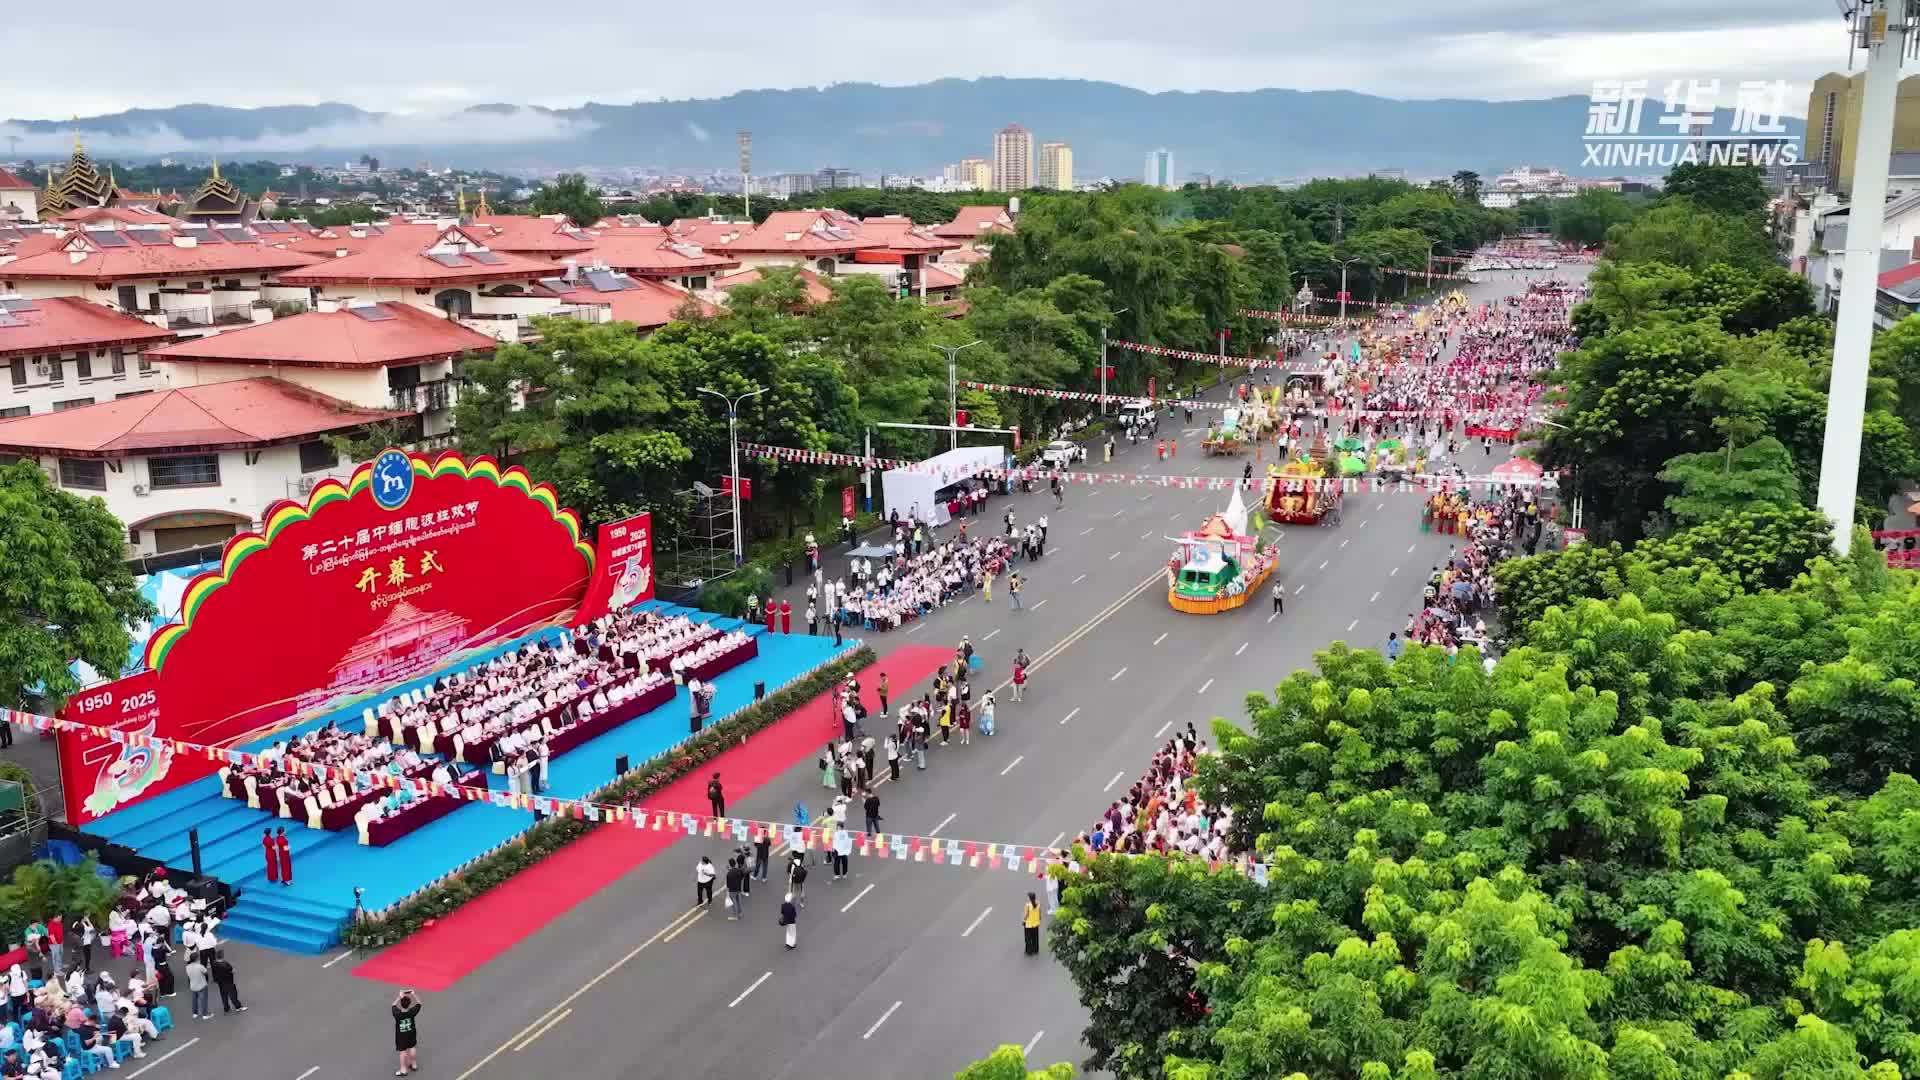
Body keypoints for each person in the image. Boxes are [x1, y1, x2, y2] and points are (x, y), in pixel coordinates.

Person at [392, 990, 422, 1076]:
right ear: (409, 1004)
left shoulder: (397, 1014)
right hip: (411, 1032)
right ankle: (414, 1064)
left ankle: (403, 1069)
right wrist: (414, 994)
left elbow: (393, 1005)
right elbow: (419, 1003)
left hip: (401, 1036)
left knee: (403, 1052)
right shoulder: (412, 1012)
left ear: (401, 1004)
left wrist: (399, 997)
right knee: (412, 1047)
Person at [185, 954, 210, 1020]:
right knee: (203, 1000)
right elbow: (206, 973)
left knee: (194, 1000)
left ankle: (195, 1013)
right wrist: (206, 981)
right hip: (202, 985)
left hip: (193, 986)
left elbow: (189, 977)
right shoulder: (200, 966)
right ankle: (205, 1014)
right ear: (196, 959)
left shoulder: (187, 967)